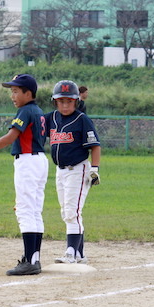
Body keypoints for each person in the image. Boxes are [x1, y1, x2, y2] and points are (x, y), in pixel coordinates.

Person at [0, 74, 49, 276]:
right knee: (34, 210)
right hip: (39, 160)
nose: (12, 95)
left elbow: (11, 137)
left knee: (25, 210)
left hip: (27, 161)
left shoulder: (25, 111)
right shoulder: (38, 111)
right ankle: (34, 259)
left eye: (16, 91)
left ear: (28, 93)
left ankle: (30, 261)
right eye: (11, 91)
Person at [46, 80, 101, 264]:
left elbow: (95, 146)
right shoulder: (52, 118)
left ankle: (70, 252)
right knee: (67, 211)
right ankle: (80, 254)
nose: (65, 105)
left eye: (69, 101)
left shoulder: (82, 119)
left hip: (78, 169)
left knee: (72, 211)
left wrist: (95, 169)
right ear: (55, 102)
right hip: (60, 171)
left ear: (76, 101)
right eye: (61, 101)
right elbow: (35, 124)